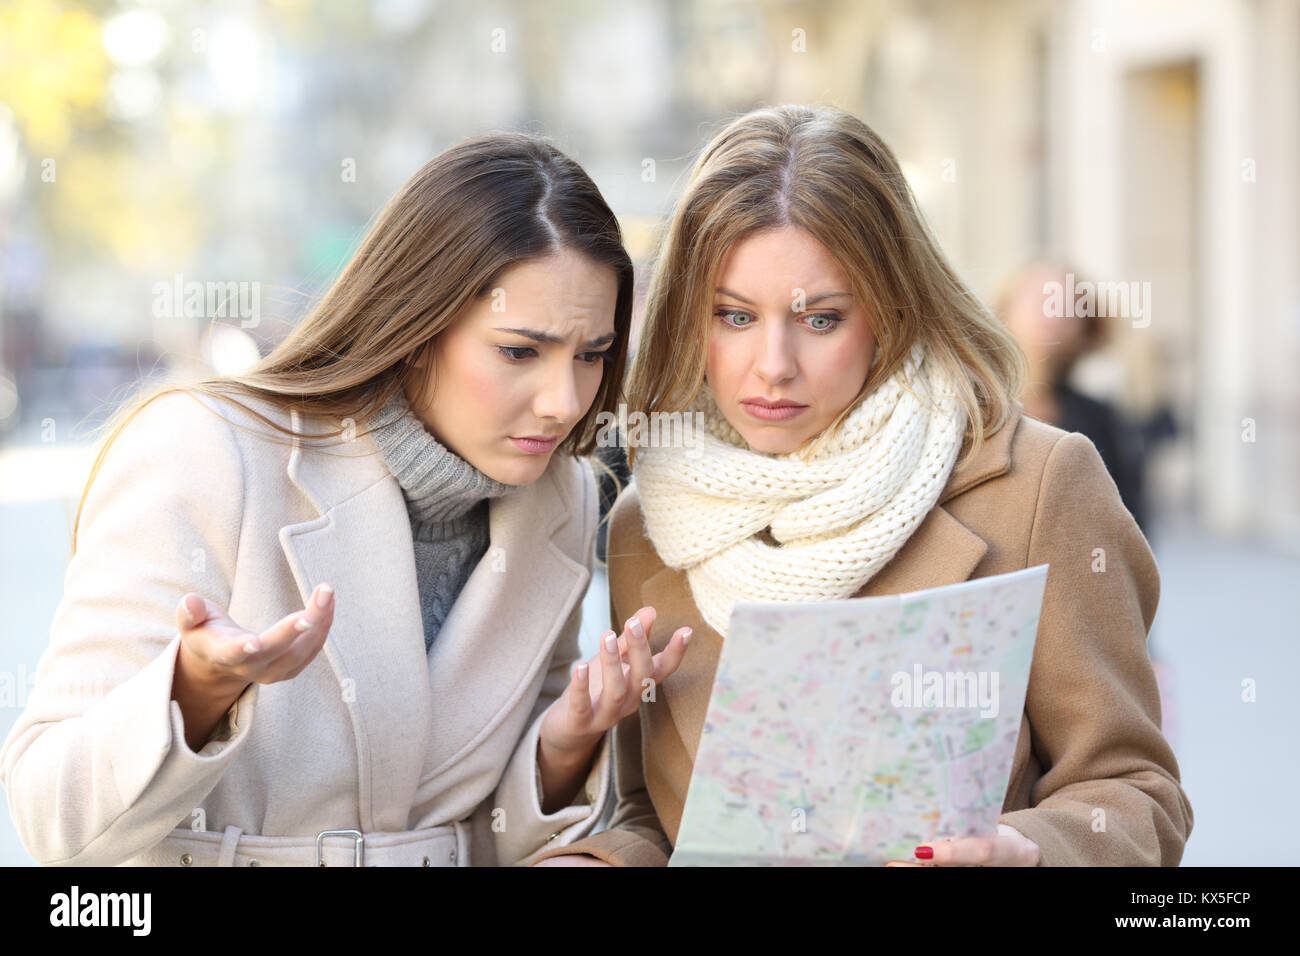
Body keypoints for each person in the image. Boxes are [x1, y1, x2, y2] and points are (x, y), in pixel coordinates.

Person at [0, 132, 688, 867]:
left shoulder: (564, 498)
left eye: (592, 355)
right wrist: (195, 689)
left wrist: (564, 742)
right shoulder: (202, 450)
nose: (565, 402)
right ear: (418, 329)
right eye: (520, 351)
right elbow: (52, 824)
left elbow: (491, 837)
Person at [531, 105, 1192, 867]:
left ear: (889, 309)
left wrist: (1023, 850)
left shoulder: (1038, 484)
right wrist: (597, 861)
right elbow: (653, 814)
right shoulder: (649, 524)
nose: (772, 364)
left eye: (820, 320)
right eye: (734, 316)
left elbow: (1135, 791)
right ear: (688, 318)